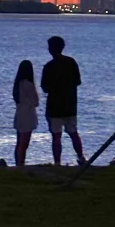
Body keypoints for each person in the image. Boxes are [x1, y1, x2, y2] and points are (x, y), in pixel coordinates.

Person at [40, 36, 86, 166]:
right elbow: (78, 81)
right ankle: (81, 157)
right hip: (70, 104)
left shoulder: (49, 66)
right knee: (73, 133)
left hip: (54, 106)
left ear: (50, 49)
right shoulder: (71, 62)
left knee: (56, 136)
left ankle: (57, 162)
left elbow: (45, 88)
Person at [12, 60, 39, 166]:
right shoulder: (28, 84)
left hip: (19, 114)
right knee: (24, 144)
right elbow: (36, 101)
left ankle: (18, 163)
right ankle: (20, 164)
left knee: (19, 143)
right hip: (28, 115)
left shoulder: (17, 85)